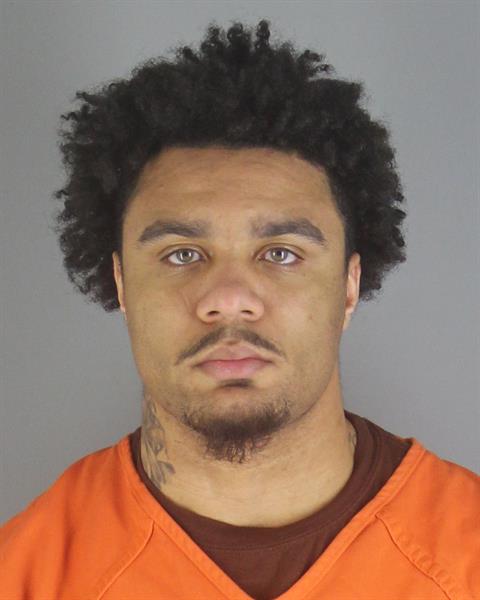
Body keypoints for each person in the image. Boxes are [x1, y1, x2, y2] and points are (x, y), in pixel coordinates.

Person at [0, 19, 478, 600]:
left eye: (281, 253)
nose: (228, 298)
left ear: (349, 285)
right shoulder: (26, 575)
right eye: (182, 254)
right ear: (121, 283)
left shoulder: (467, 555)